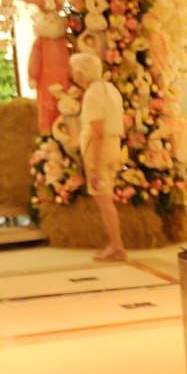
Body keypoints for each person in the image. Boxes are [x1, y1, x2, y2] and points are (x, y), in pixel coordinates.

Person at [74, 50, 127, 263]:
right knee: (106, 199)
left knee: (104, 201)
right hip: (113, 147)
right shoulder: (110, 89)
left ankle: (117, 246)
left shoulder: (92, 94)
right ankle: (114, 244)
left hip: (99, 150)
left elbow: (97, 132)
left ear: (80, 73)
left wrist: (94, 166)